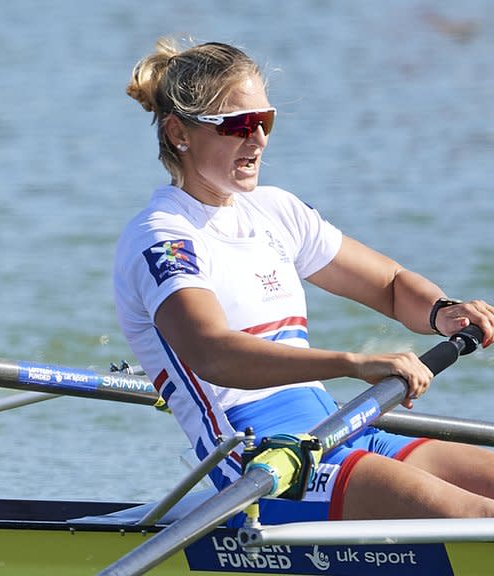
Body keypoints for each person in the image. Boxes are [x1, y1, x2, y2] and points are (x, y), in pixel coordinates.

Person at [113, 37, 494, 521]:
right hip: (261, 461)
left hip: (339, 428)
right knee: (483, 521)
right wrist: (353, 363)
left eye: (264, 121)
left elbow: (391, 285)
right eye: (238, 125)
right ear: (179, 133)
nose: (258, 140)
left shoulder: (276, 210)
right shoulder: (163, 238)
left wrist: (444, 312)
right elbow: (213, 353)